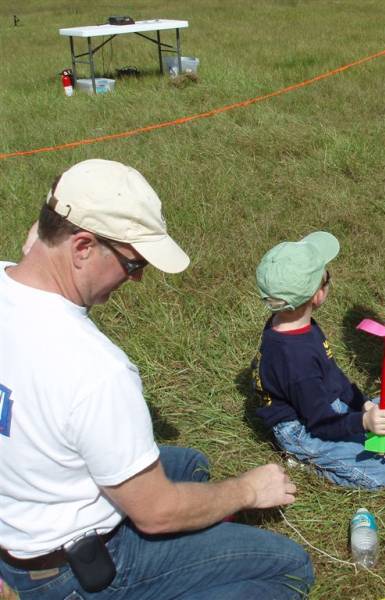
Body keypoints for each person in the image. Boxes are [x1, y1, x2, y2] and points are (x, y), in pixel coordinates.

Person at [0, 159, 313, 599]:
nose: (139, 277)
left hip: (20, 522)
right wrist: (247, 490)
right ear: (82, 246)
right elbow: (156, 513)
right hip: (76, 570)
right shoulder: (96, 370)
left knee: (189, 465)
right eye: (133, 264)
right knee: (290, 569)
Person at [252, 231, 385, 489]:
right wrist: (362, 422)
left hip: (321, 402)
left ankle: (355, 435)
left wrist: (363, 404)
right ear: (318, 296)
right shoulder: (296, 362)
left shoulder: (295, 323)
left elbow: (332, 373)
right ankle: (304, 459)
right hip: (303, 428)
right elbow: (320, 423)